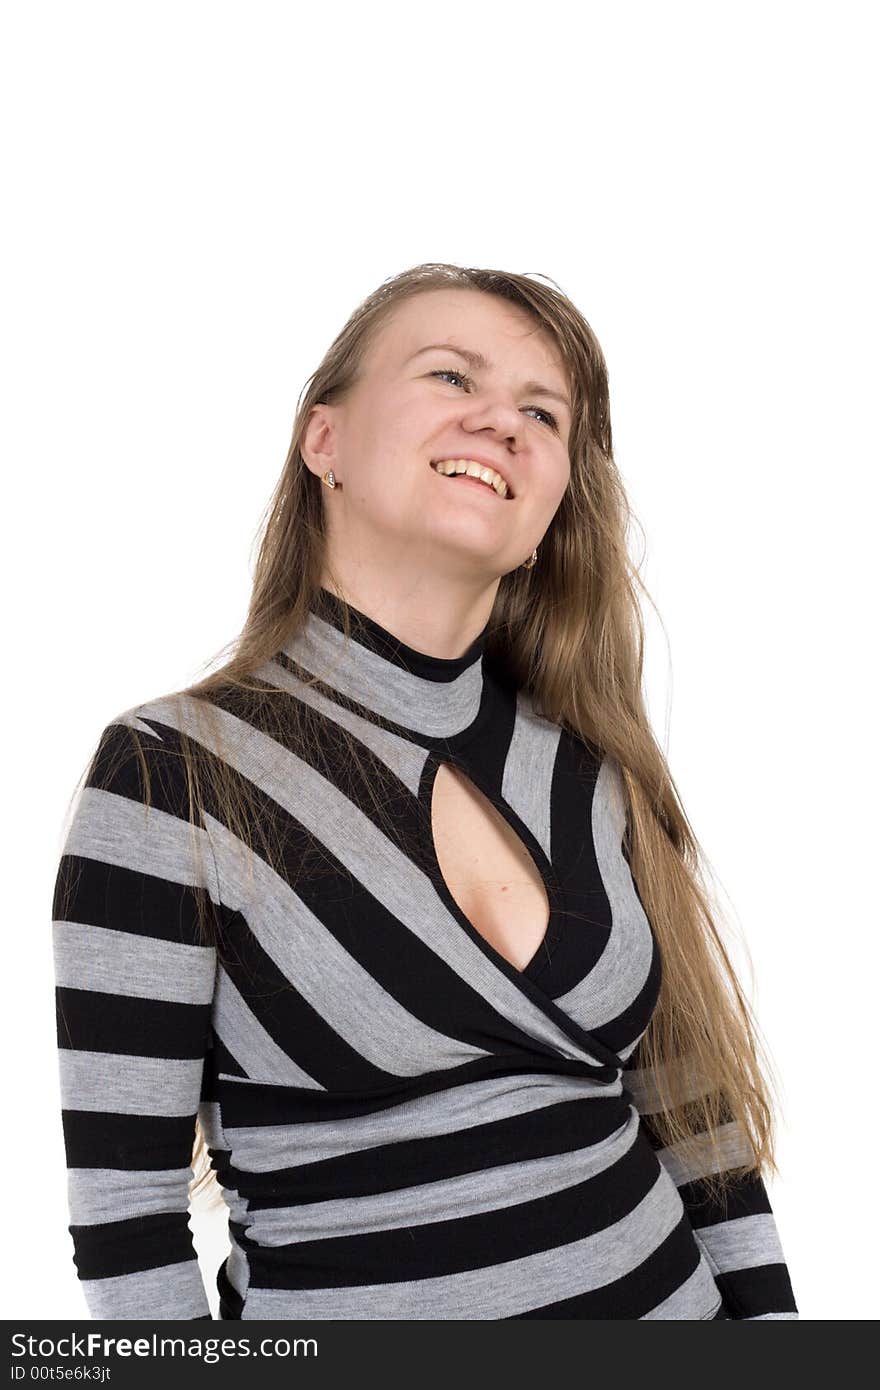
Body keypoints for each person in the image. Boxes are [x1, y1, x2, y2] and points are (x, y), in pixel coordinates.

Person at [51, 261, 799, 1320]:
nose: (502, 422)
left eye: (542, 412)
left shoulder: (591, 760)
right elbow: (127, 1225)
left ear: (545, 515)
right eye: (452, 377)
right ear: (325, 443)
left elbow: (694, 1110)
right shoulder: (172, 773)